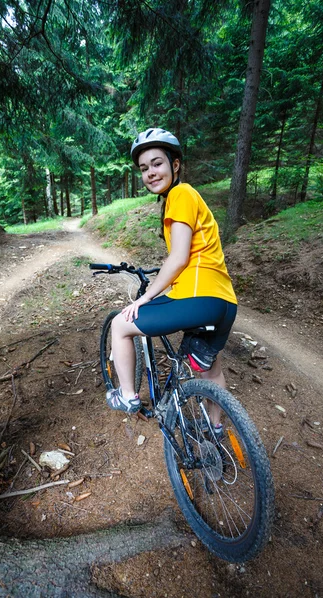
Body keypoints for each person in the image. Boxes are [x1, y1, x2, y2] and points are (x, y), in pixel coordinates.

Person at [106, 128, 237, 434]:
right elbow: (191, 254)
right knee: (209, 366)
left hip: (196, 297)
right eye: (143, 168)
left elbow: (178, 259)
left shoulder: (180, 194)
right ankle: (215, 429)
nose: (150, 173)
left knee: (120, 325)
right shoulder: (187, 197)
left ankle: (127, 396)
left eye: (157, 164)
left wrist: (144, 298)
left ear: (175, 165)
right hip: (224, 302)